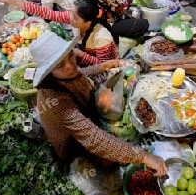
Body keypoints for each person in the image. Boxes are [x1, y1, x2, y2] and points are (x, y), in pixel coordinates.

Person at [28, 30, 168, 175]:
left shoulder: (66, 74)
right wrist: (143, 156)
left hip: (84, 115)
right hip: (70, 141)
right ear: (49, 71)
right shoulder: (54, 100)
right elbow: (92, 136)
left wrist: (105, 66)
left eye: (70, 56)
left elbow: (82, 73)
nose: (70, 66)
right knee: (107, 160)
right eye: (59, 65)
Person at [0, 0, 118, 66]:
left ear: (87, 22)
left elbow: (105, 65)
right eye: (71, 13)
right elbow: (45, 13)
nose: (70, 18)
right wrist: (10, 0)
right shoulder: (75, 21)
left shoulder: (102, 37)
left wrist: (81, 55)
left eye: (74, 17)